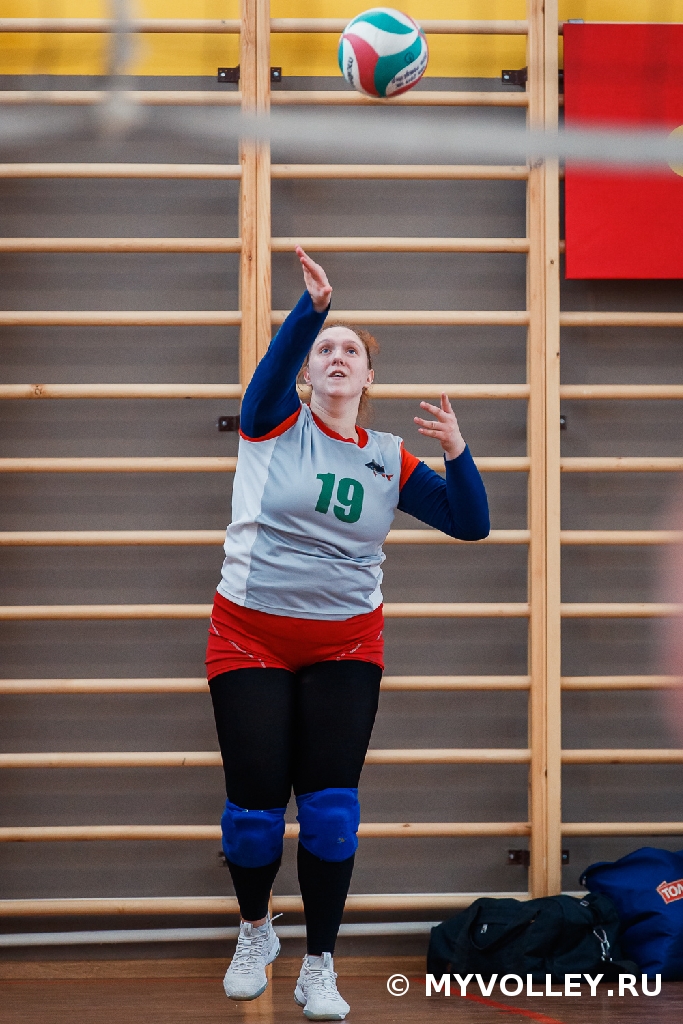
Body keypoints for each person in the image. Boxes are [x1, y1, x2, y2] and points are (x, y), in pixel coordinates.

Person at [205, 247, 490, 1021]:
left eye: (351, 353)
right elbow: (268, 374)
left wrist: (456, 452)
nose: (336, 357)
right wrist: (313, 312)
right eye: (325, 350)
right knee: (254, 815)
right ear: (306, 373)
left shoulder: (389, 459)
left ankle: (319, 965)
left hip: (345, 644)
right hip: (250, 637)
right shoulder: (271, 423)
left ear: (368, 379)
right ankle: (255, 930)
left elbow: (470, 524)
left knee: (330, 813)